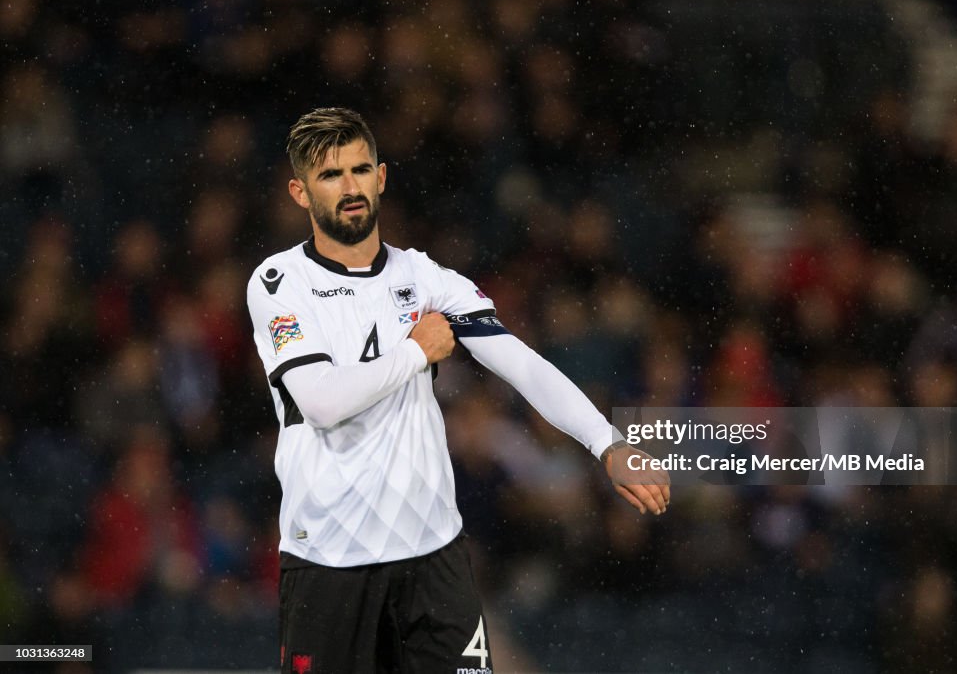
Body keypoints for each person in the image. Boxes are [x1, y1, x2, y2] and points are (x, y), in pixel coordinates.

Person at [246, 107, 670, 673]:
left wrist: (607, 442)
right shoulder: (279, 283)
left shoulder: (426, 279)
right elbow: (321, 403)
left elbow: (521, 363)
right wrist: (416, 351)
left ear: (382, 176)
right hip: (329, 561)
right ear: (300, 193)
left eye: (361, 169)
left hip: (433, 559)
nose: (350, 187)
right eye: (330, 175)